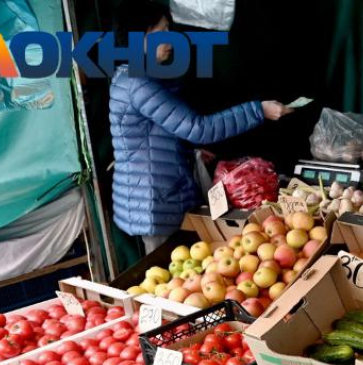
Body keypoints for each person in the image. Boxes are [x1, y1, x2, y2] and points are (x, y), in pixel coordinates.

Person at [110, 2, 292, 254]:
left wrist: (189, 149)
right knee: (165, 280)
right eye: (161, 32)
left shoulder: (139, 77)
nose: (170, 40)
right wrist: (258, 111)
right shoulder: (138, 84)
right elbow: (198, 128)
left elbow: (158, 132)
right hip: (153, 203)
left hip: (157, 196)